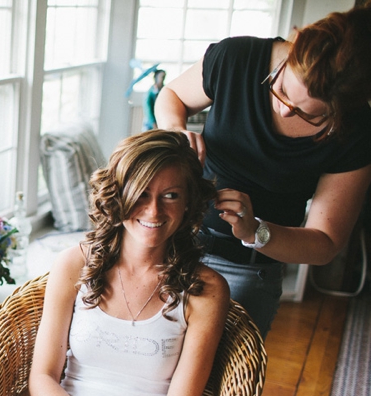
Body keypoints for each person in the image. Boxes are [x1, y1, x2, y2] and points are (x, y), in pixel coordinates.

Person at [0, 130, 229, 396]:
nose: (153, 209)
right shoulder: (73, 265)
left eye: (170, 195)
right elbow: (43, 377)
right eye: (141, 192)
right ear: (118, 194)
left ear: (188, 203)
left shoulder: (205, 290)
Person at [154, 5, 371, 338]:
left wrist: (255, 231)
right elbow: (171, 95)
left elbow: (325, 243)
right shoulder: (236, 57)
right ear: (293, 48)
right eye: (282, 89)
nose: (284, 111)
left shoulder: (356, 133)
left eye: (308, 115)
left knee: (222, 384)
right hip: (173, 242)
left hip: (247, 273)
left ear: (341, 115)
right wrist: (175, 130)